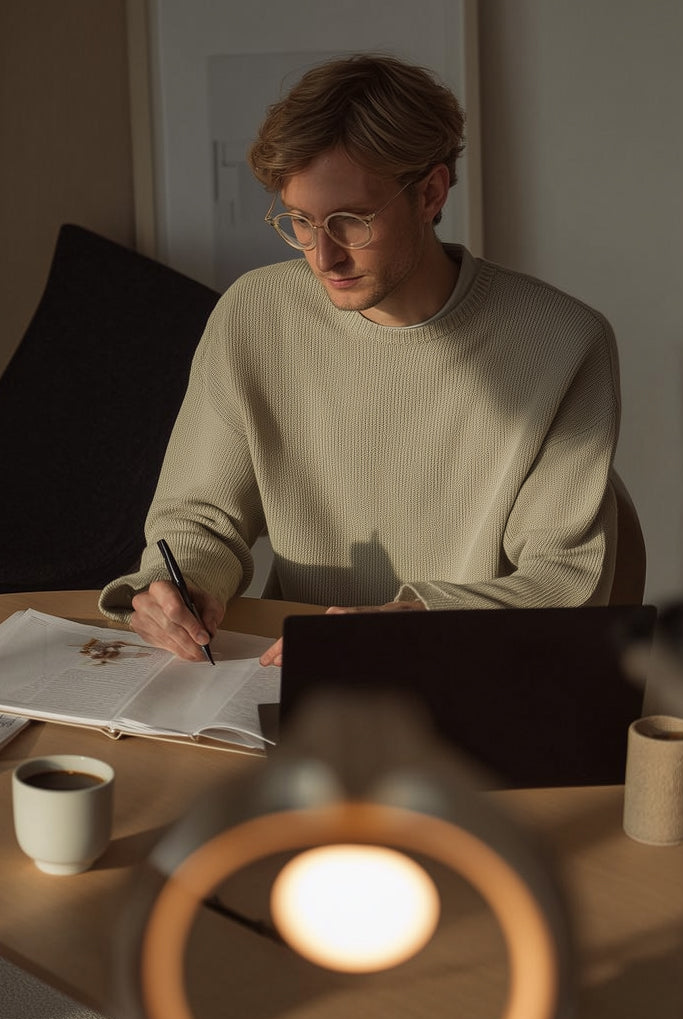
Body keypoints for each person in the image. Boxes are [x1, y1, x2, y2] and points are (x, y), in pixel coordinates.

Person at [98, 53, 621, 666]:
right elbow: (200, 514)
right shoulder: (255, 314)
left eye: (350, 222)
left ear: (430, 193)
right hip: (287, 680)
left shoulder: (564, 341)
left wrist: (411, 622)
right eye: (299, 220)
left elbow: (566, 581)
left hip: (474, 678)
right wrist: (181, 585)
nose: (322, 257)